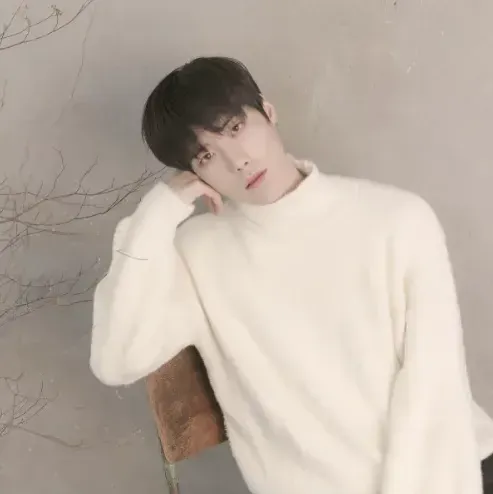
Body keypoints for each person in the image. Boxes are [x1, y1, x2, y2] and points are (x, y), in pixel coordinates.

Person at [89, 56, 493, 493]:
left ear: (267, 111)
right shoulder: (197, 254)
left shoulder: (397, 219)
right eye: (206, 156)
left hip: (453, 471)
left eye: (235, 128)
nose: (237, 161)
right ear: (193, 174)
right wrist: (156, 214)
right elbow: (117, 360)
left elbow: (435, 391)